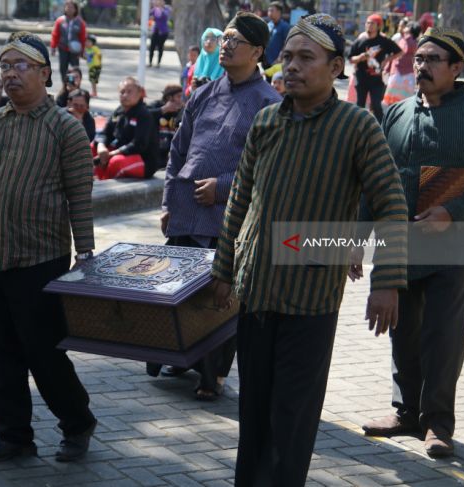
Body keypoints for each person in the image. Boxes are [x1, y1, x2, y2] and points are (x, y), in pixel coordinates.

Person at [210, 14, 408, 486]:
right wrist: (223, 269)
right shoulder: (266, 122)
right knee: (253, 411)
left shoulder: (357, 126)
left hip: (310, 300)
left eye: (306, 58)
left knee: (291, 418)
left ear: (337, 66)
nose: (292, 67)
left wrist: (387, 285)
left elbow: (392, 206)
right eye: (288, 57)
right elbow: (240, 198)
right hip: (255, 294)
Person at [0, 31, 97, 464]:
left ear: (45, 73)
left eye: (20, 65)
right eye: (5, 66)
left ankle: (77, 422)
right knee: (0, 350)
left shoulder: (65, 127)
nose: (10, 74)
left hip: (41, 257)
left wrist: (85, 254)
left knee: (44, 353)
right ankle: (14, 436)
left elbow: (80, 196)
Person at [360, 27, 464, 458]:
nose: (421, 66)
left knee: (443, 338)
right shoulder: (397, 112)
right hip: (399, 245)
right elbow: (377, 183)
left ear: (456, 68)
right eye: (418, 58)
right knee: (402, 333)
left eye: (432, 60)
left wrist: (453, 211)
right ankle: (406, 412)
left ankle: (438, 424)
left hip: (451, 247)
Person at [155, 12, 282, 400]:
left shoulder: (270, 104)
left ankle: (212, 376)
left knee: (218, 298)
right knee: (176, 289)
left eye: (235, 41)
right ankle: (178, 358)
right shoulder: (204, 93)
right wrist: (167, 201)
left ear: (258, 51)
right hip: (185, 211)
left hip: (228, 218)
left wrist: (224, 187)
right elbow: (178, 150)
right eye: (225, 38)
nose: (225, 45)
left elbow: (270, 167)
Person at [94, 76, 158, 180]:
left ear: (139, 94)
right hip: (120, 153)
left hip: (143, 160)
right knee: (93, 147)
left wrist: (111, 154)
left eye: (129, 92)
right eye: (122, 92)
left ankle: (104, 188)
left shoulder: (144, 114)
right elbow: (105, 132)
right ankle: (96, 182)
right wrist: (101, 146)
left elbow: (139, 144)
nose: (125, 95)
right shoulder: (119, 111)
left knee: (116, 162)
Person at [349, 13, 401, 122]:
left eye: (372, 23)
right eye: (367, 23)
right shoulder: (360, 41)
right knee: (360, 106)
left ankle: (382, 128)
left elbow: (400, 52)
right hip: (361, 78)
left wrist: (386, 60)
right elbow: (350, 59)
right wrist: (360, 58)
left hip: (376, 80)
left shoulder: (384, 41)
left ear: (378, 26)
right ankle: (358, 128)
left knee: (376, 105)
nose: (368, 25)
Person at [147, 84, 184, 170]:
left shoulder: (179, 111)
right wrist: (163, 109)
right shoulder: (156, 105)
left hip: (168, 155)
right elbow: (143, 115)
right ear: (169, 97)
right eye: (178, 96)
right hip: (154, 152)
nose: (180, 100)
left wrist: (183, 110)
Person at [383, 21, 420, 105]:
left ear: (410, 29)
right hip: (405, 74)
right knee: (403, 102)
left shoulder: (408, 41)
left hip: (400, 75)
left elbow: (396, 55)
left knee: (392, 101)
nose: (404, 28)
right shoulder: (407, 40)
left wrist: (387, 68)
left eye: (407, 26)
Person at [50, 0, 87, 84]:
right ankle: (65, 85)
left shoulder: (80, 22)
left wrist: (82, 51)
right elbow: (55, 34)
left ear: (75, 9)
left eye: (71, 7)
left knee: (75, 68)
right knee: (63, 68)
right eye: (67, 7)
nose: (69, 9)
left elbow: (83, 38)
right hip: (63, 48)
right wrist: (53, 47)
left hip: (75, 50)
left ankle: (75, 84)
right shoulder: (60, 21)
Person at [264, 1, 290, 68]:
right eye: (268, 11)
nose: (269, 13)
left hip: (276, 62)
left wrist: (279, 59)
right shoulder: (268, 25)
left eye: (272, 10)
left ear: (279, 12)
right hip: (265, 61)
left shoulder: (285, 27)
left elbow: (286, 44)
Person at [149, 0, 171, 68]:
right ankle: (150, 62)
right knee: (152, 47)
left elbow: (165, 15)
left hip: (163, 32)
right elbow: (149, 14)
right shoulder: (155, 9)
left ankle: (158, 63)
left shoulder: (167, 9)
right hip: (155, 30)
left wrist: (161, 8)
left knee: (160, 47)